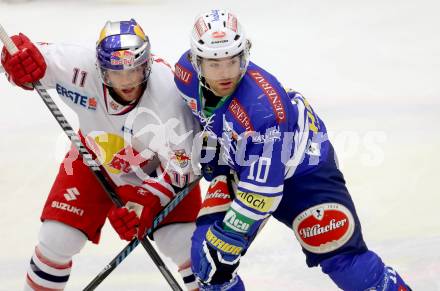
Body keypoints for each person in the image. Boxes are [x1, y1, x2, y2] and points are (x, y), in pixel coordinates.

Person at [174, 9, 412, 291]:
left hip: (305, 170)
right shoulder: (184, 74)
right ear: (196, 61)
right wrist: (210, 146)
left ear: (245, 55)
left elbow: (262, 193)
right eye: (214, 64)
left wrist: (228, 237)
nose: (225, 73)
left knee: (347, 265)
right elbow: (201, 118)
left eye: (233, 61)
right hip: (245, 166)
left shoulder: (263, 107)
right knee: (207, 262)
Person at [1, 19, 201, 290]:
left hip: (159, 169)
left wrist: (146, 200)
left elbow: (185, 166)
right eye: (116, 73)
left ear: (147, 64)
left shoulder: (168, 94)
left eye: (135, 70)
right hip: (93, 157)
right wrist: (17, 65)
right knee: (57, 239)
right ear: (100, 68)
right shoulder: (79, 67)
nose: (127, 81)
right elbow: (32, 58)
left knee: (183, 244)